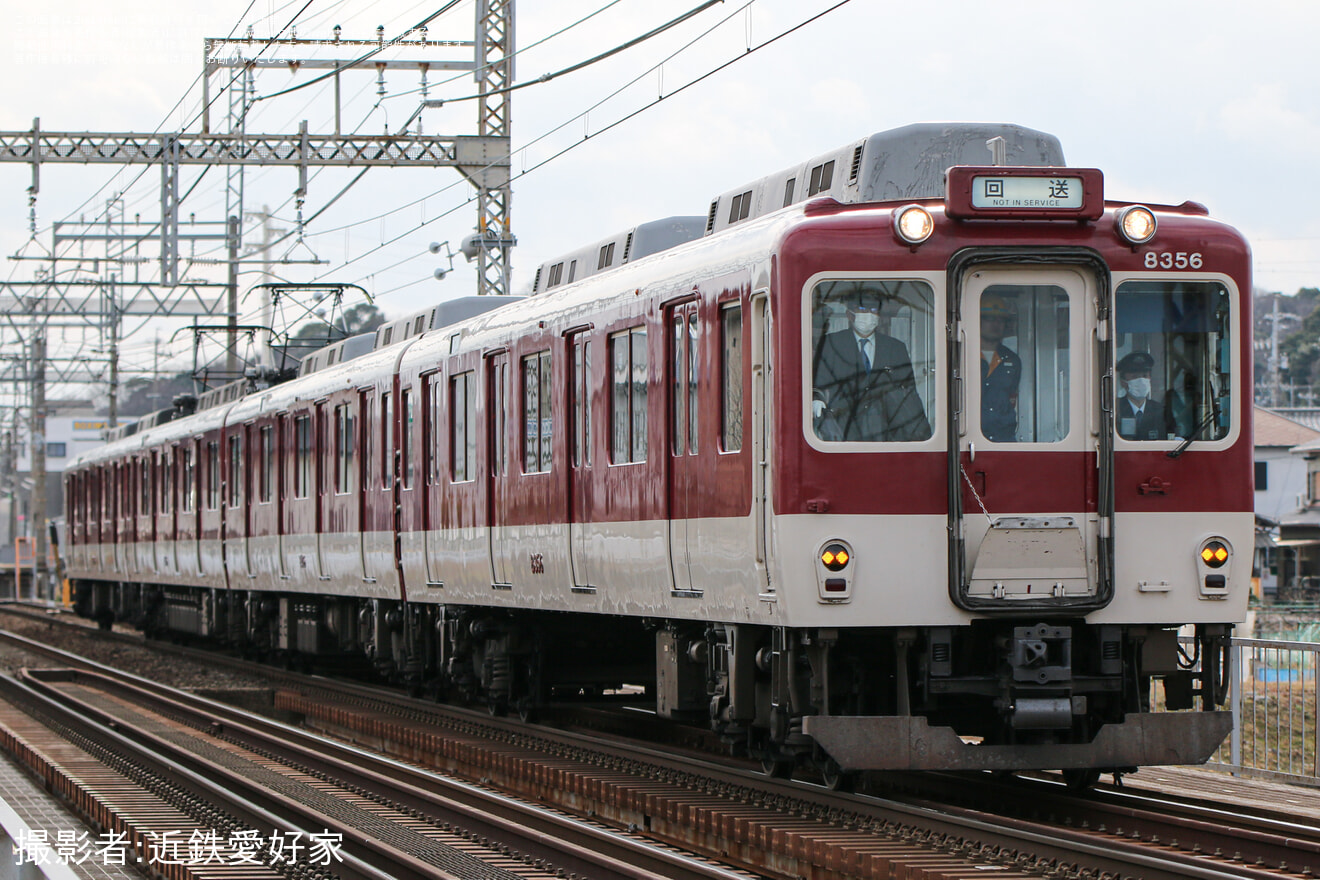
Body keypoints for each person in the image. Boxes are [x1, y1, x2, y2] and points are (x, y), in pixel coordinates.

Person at [811, 290, 930, 442]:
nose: (868, 315)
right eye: (862, 310)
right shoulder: (831, 343)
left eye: (873, 310)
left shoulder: (895, 347)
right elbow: (820, 380)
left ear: (879, 316)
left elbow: (908, 388)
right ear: (849, 314)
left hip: (886, 428)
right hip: (843, 427)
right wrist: (817, 400)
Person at [979, 294, 1021, 442]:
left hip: (1004, 438)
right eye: (989, 318)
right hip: (971, 438)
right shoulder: (963, 356)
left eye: (1000, 319)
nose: (996, 324)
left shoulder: (1013, 360)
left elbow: (1011, 397)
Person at [1116, 350, 1166, 440]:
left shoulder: (1161, 411)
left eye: (1144, 376)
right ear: (1123, 382)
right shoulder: (1115, 409)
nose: (1141, 381)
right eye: (1135, 377)